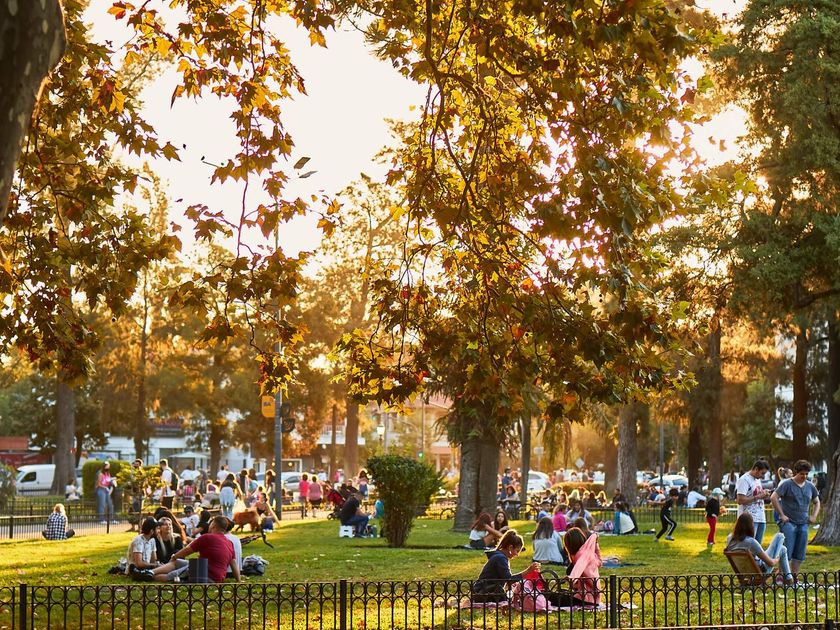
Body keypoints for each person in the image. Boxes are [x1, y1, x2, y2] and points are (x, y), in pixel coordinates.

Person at [153, 515, 239, 583]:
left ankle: (150, 575)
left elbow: (187, 550)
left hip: (203, 575)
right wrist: (238, 580)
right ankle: (151, 571)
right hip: (216, 577)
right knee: (177, 562)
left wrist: (174, 556)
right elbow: (234, 565)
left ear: (213, 525)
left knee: (170, 575)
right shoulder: (229, 543)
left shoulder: (207, 537)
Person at [771, 459, 821, 574]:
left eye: (806, 474)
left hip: (803, 523)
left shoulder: (810, 486)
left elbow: (817, 502)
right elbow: (774, 497)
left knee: (800, 552)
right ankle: (782, 575)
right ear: (796, 472)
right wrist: (781, 515)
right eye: (802, 474)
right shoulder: (787, 484)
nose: (804, 476)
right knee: (787, 550)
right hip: (788, 522)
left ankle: (794, 576)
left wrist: (813, 516)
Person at [471, 530, 540, 602]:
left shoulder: (500, 556)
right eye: (517, 551)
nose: (517, 554)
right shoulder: (500, 558)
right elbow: (509, 579)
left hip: (483, 590)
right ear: (510, 547)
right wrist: (528, 571)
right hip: (483, 592)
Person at [726, 512, 793, 584]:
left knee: (783, 549)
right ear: (750, 526)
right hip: (762, 571)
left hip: (744, 571)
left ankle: (789, 579)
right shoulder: (751, 542)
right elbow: (771, 563)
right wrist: (777, 558)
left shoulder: (730, 538)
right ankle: (789, 580)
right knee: (780, 536)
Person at [562, 526, 602, 605]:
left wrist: (572, 578)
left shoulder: (581, 555)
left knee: (552, 598)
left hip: (586, 599)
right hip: (594, 597)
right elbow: (600, 562)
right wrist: (596, 545)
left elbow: (579, 566)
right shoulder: (589, 554)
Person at [736, 460, 771, 545]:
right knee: (748, 546)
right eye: (762, 473)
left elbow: (755, 494)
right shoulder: (744, 479)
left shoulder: (757, 479)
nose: (763, 476)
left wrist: (764, 494)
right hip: (748, 518)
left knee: (757, 547)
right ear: (756, 469)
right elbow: (740, 500)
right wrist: (758, 497)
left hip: (760, 517)